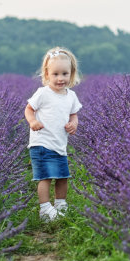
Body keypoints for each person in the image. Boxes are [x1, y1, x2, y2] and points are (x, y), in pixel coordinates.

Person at [25, 47, 82, 221]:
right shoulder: (43, 93)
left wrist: (73, 124)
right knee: (45, 177)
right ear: (47, 73)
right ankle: (44, 209)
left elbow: (74, 114)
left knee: (63, 176)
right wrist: (33, 121)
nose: (60, 78)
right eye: (55, 74)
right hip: (41, 143)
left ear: (71, 74)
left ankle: (60, 204)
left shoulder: (71, 96)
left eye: (64, 74)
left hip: (59, 145)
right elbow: (29, 109)